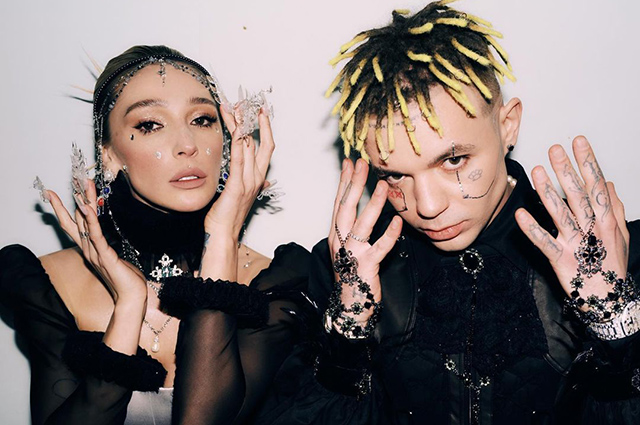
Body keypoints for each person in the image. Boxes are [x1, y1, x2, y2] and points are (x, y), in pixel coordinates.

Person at [255, 2, 640, 424]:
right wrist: (349, 331)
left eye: (453, 160)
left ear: (508, 126)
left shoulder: (612, 257)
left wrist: (615, 326)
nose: (428, 206)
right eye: (395, 174)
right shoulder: (346, 270)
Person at [0, 45, 309, 425]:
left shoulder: (274, 282)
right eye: (150, 125)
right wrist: (129, 305)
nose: (187, 145)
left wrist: (222, 238)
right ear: (109, 154)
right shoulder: (48, 283)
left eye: (202, 119)